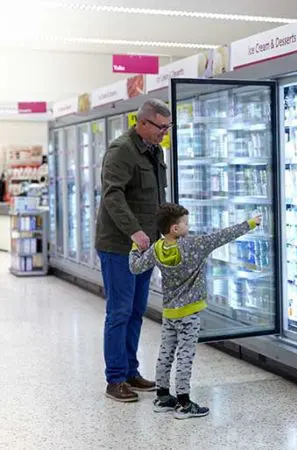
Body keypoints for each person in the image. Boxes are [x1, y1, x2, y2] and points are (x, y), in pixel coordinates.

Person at [129, 203, 261, 419]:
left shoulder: (156, 249)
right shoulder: (193, 245)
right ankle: (184, 402)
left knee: (165, 354)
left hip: (170, 312)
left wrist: (134, 249)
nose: (188, 227)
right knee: (185, 356)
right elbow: (222, 236)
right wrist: (250, 223)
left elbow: (135, 267)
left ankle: (162, 397)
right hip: (189, 314)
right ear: (175, 228)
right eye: (186, 223)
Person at [95, 99, 172, 402]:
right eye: (160, 127)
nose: (164, 133)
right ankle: (114, 379)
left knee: (137, 311)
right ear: (142, 123)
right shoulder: (121, 150)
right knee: (119, 312)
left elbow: (156, 195)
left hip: (147, 245)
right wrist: (133, 230)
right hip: (119, 245)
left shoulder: (155, 151)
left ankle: (130, 371)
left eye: (168, 127)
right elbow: (112, 195)